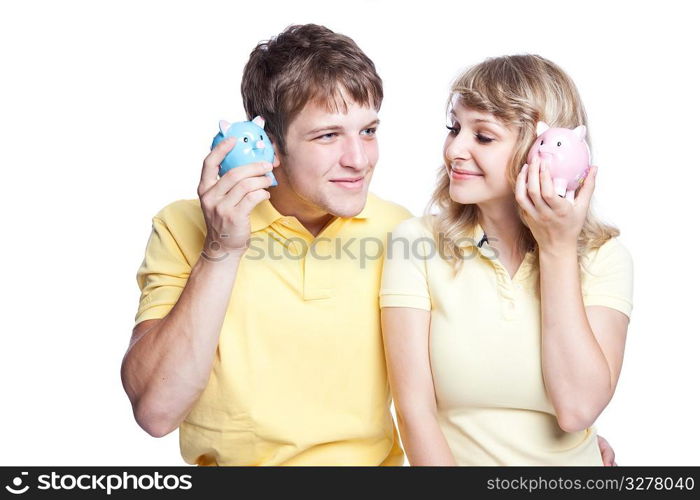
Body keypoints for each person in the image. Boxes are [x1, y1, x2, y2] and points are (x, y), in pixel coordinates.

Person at [122, 24, 618, 466]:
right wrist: (222, 250)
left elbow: (487, 362)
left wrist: (561, 455)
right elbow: (155, 411)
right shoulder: (183, 227)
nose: (358, 159)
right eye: (327, 136)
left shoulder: (401, 234)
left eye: (369, 130)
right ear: (269, 143)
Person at [380, 55, 632, 465]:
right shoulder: (416, 243)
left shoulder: (606, 259)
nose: (455, 149)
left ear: (546, 150)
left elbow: (577, 409)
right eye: (454, 128)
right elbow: (414, 413)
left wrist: (557, 250)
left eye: (483, 136)